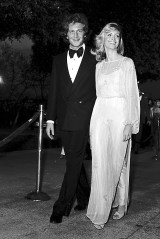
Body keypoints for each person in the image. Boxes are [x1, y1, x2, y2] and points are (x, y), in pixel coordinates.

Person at [86, 23, 140, 229]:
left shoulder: (127, 63)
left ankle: (121, 203)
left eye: (117, 35)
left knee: (119, 162)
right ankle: (101, 206)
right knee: (100, 163)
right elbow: (98, 95)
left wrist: (130, 122)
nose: (114, 38)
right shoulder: (98, 66)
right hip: (99, 115)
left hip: (120, 115)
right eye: (109, 34)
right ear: (102, 38)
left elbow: (132, 95)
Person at [46, 13, 96, 224]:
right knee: (74, 160)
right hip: (65, 119)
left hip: (85, 117)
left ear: (85, 33)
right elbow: (54, 91)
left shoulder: (95, 58)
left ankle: (61, 206)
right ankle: (85, 197)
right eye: (71, 31)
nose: (75, 34)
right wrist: (50, 119)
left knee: (74, 159)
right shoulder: (57, 60)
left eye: (79, 30)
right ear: (65, 35)